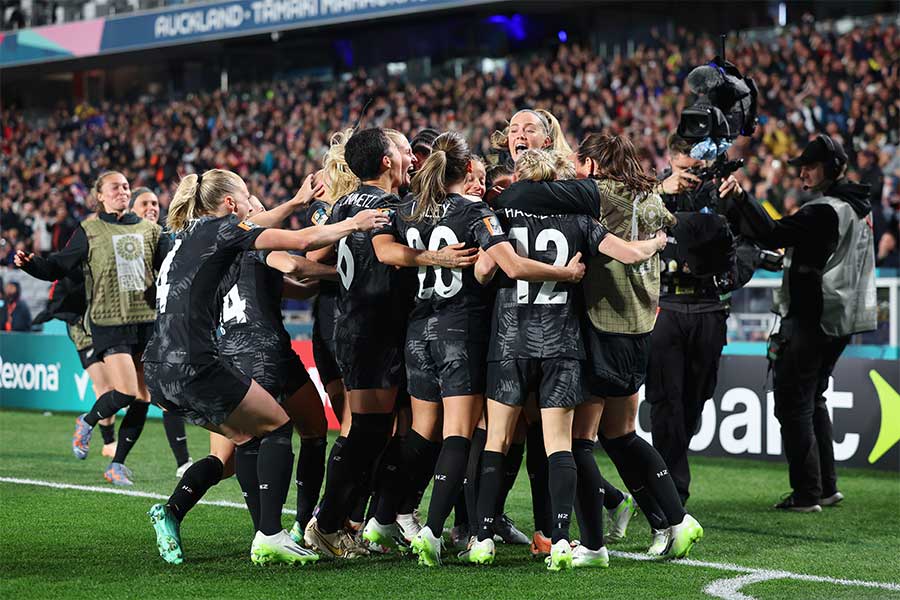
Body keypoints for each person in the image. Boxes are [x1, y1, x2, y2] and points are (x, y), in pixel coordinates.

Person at [142, 167, 389, 565]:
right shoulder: (224, 231)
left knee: (245, 441)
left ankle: (256, 528)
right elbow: (302, 242)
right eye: (246, 194)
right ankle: (271, 533)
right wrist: (353, 223)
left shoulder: (186, 237)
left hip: (158, 368)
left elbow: (268, 234)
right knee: (277, 426)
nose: (254, 202)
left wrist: (295, 202)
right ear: (230, 204)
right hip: (204, 359)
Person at [363, 134, 585, 567]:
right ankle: (435, 528)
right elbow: (508, 265)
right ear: (466, 173)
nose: (484, 184)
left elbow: (383, 249)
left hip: (418, 329)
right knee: (461, 435)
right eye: (480, 176)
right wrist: (567, 272)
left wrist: (427, 257)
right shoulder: (474, 212)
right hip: (460, 330)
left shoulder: (407, 208)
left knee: (420, 432)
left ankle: (384, 514)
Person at [491, 133, 703, 559]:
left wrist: (510, 192)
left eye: (576, 162)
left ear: (590, 165)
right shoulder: (648, 198)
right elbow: (664, 218)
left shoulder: (595, 195)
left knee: (577, 442)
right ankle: (672, 521)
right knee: (621, 434)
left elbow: (550, 195)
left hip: (600, 324)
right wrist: (659, 227)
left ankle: (595, 543)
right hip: (640, 325)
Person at [464, 149, 666, 570]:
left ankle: (481, 538)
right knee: (560, 446)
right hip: (561, 345)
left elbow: (483, 272)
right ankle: (559, 539)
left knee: (497, 441)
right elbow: (629, 254)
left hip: (510, 341)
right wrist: (659, 241)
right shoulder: (580, 220)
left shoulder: (501, 217)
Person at [302, 128, 474, 559]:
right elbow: (384, 253)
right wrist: (439, 257)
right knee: (367, 432)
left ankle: (344, 522)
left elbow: (318, 257)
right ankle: (326, 524)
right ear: (384, 161)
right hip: (372, 328)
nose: (409, 158)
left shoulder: (345, 202)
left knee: (374, 431)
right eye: (401, 150)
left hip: (356, 324)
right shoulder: (384, 205)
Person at [730, 135, 877, 512]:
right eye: (801, 166)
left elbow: (773, 232)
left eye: (810, 166)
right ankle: (826, 486)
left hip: (814, 317)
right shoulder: (857, 206)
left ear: (831, 170)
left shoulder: (825, 210)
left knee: (793, 404)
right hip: (840, 319)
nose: (803, 172)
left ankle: (808, 492)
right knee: (813, 400)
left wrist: (742, 198)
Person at [16, 171, 163, 486]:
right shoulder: (90, 229)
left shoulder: (151, 230)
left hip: (144, 321)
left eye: (126, 186)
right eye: (115, 187)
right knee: (123, 390)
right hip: (109, 321)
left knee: (143, 398)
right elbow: (59, 265)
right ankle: (88, 419)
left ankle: (117, 465)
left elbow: (167, 267)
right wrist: (31, 264)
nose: (122, 191)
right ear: (100, 195)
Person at [646, 134, 754, 505]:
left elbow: (753, 240)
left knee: (696, 397)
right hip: (666, 305)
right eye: (686, 167)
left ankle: (668, 473)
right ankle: (670, 491)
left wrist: (729, 275)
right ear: (672, 158)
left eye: (699, 167)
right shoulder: (650, 192)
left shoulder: (722, 194)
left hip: (710, 306)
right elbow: (621, 224)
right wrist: (661, 190)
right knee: (666, 400)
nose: (693, 175)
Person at [129, 186, 193, 476]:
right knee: (136, 394)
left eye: (155, 203)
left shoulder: (168, 239)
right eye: (144, 203)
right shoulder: (128, 242)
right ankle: (107, 438)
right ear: (131, 210)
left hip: (162, 325)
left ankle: (183, 462)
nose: (152, 207)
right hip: (132, 328)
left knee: (165, 394)